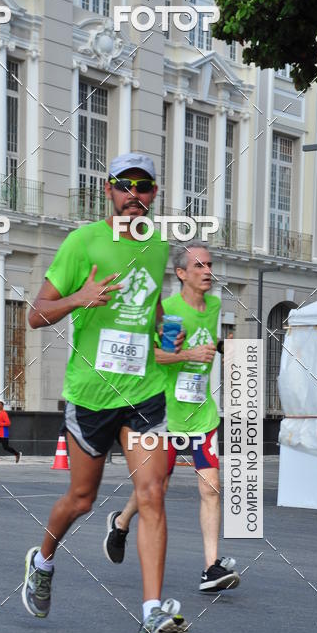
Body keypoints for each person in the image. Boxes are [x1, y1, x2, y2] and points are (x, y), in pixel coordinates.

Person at [21, 152, 188, 633]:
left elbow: (151, 302)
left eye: (145, 186)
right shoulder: (82, 242)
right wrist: (79, 298)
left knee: (152, 494)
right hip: (91, 395)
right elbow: (36, 314)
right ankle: (43, 560)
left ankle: (153, 612)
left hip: (145, 392)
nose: (134, 195)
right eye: (125, 185)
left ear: (155, 194)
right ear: (108, 191)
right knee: (81, 499)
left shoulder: (159, 246)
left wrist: (166, 330)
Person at [103, 244, 240, 592]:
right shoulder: (167, 310)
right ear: (181, 273)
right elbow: (150, 356)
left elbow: (206, 339)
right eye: (199, 266)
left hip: (201, 414)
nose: (208, 271)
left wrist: (222, 349)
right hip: (163, 415)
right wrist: (188, 354)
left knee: (211, 488)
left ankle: (211, 568)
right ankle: (120, 523)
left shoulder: (214, 306)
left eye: (210, 265)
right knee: (156, 487)